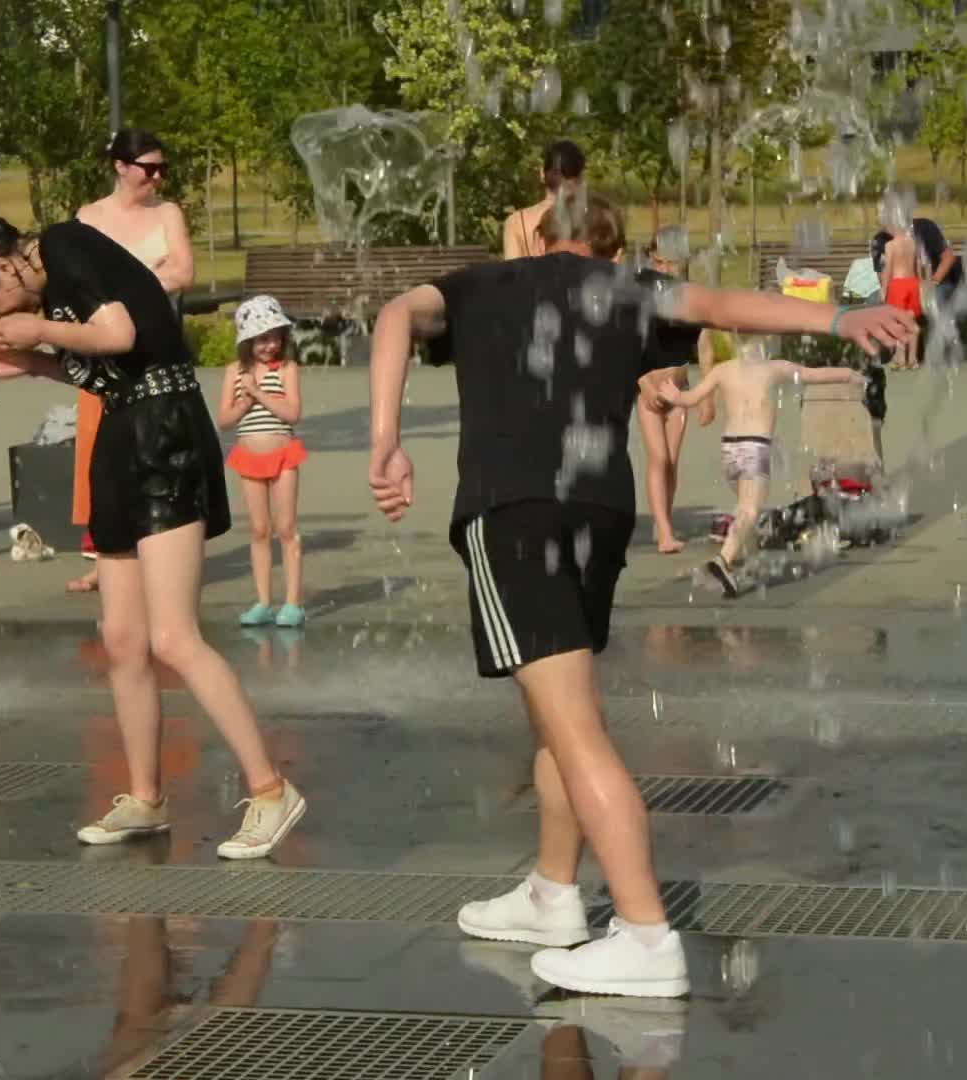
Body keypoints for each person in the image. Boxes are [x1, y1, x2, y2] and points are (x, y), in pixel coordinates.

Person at [366, 189, 914, 997]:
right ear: (613, 247)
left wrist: (385, 441)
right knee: (557, 713)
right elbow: (724, 304)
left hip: (514, 511)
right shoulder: (630, 288)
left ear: (538, 238)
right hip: (598, 513)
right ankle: (553, 895)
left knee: (575, 728)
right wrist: (841, 318)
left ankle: (646, 934)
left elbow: (391, 318)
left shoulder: (484, 284)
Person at [0, 198, 306, 860]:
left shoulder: (65, 245)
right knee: (122, 637)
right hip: (119, 431)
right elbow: (100, 368)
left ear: (3, 264)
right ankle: (145, 796)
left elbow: (118, 335)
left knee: (173, 636)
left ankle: (271, 789)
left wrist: (35, 332)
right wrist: (33, 362)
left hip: (166, 430)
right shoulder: (52, 288)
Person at [64, 128, 198, 594]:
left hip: (156, 355)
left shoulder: (168, 213)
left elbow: (183, 271)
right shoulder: (89, 218)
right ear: (120, 167)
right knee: (101, 457)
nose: (157, 178)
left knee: (154, 455)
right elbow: (79, 284)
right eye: (149, 169)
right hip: (104, 354)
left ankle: (155, 550)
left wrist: (125, 291)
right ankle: (106, 555)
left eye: (163, 169)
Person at [658, 341, 867, 598]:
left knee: (744, 510)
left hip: (729, 449)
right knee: (749, 510)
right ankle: (722, 561)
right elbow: (813, 374)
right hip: (754, 447)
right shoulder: (772, 368)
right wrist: (849, 374)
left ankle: (746, 558)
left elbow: (690, 397)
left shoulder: (723, 370)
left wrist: (675, 397)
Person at [217, 295, 308, 627]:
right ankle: (263, 601)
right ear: (247, 341)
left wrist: (258, 394)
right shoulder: (235, 371)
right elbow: (224, 420)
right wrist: (244, 402)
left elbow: (292, 413)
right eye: (262, 339)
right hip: (249, 458)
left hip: (283, 456)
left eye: (275, 337)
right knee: (259, 530)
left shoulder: (286, 369)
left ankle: (293, 602)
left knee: (286, 528)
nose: (270, 345)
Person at [635, 232, 714, 553]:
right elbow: (630, 343)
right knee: (658, 458)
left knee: (672, 460)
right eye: (658, 262)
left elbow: (705, 349)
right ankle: (665, 532)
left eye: (672, 263)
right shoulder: (642, 297)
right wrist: (642, 382)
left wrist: (706, 397)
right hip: (649, 391)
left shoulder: (690, 300)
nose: (665, 270)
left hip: (678, 392)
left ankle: (663, 517)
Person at [502, 140, 586, 260]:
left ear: (542, 173)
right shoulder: (591, 219)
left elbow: (511, 268)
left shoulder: (516, 222)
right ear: (580, 179)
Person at [879, 212, 923, 370]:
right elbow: (918, 266)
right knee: (911, 323)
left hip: (898, 284)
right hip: (913, 283)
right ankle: (913, 359)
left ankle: (900, 359)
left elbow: (888, 269)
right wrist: (920, 285)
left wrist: (884, 289)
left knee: (898, 323)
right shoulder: (913, 243)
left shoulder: (890, 245)